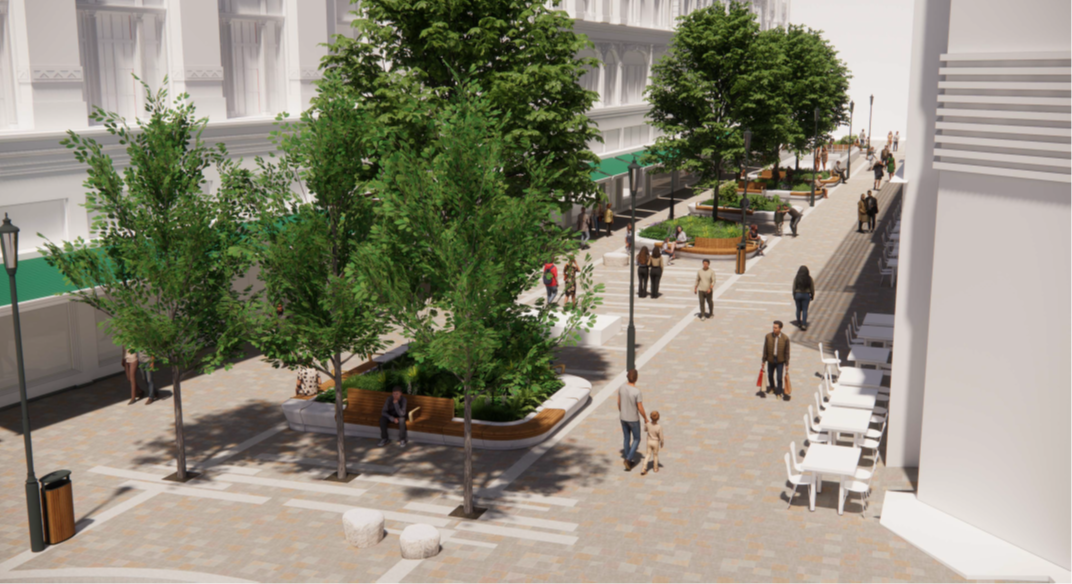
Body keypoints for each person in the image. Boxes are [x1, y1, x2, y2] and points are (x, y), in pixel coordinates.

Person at [618, 369, 647, 470]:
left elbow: (619, 403)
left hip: (623, 417)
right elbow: (640, 408)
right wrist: (646, 418)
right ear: (636, 378)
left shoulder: (621, 388)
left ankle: (627, 459)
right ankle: (629, 459)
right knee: (637, 438)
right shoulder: (637, 391)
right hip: (633, 419)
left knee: (626, 438)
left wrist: (622, 412)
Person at [761, 321, 791, 401]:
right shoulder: (768, 336)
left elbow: (787, 352)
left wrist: (787, 364)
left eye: (776, 327)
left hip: (780, 361)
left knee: (779, 378)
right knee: (770, 375)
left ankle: (779, 393)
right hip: (770, 360)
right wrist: (763, 361)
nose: (773, 329)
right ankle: (772, 387)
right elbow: (765, 349)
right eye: (773, 327)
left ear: (780, 328)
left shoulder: (785, 338)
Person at [638, 410, 664, 476]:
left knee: (648, 454)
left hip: (649, 441)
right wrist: (662, 443)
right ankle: (655, 468)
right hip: (656, 442)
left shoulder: (648, 424)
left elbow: (645, 430)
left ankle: (643, 468)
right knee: (655, 455)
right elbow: (661, 436)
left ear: (650, 417)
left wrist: (646, 424)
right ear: (658, 418)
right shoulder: (659, 427)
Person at [792, 266, 815, 331]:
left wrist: (794, 295)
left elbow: (794, 287)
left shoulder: (797, 278)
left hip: (798, 294)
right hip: (806, 295)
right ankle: (804, 324)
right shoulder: (809, 278)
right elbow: (812, 288)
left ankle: (799, 323)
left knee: (798, 309)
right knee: (805, 310)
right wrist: (812, 295)